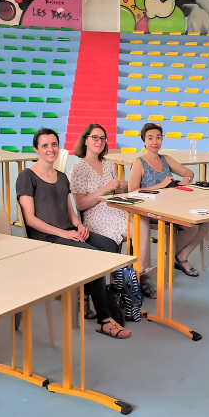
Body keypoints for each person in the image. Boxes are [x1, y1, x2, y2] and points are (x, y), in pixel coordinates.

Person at [16, 129, 130, 339]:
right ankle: (104, 320)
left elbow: (69, 210)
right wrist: (64, 233)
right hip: (45, 239)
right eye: (45, 145)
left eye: (54, 144)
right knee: (93, 255)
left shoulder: (61, 177)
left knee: (110, 246)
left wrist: (78, 225)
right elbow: (30, 219)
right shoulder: (26, 177)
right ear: (36, 149)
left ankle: (85, 296)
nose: (51, 149)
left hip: (67, 232)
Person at [69, 124, 154, 302]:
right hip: (95, 214)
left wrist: (118, 188)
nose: (99, 141)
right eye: (94, 137)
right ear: (85, 140)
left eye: (102, 138)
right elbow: (81, 204)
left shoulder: (108, 164)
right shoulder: (79, 168)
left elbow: (115, 195)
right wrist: (105, 189)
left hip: (114, 208)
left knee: (143, 220)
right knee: (138, 230)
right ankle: (136, 277)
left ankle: (137, 273)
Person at [128, 123, 209, 277]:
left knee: (207, 220)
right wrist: (160, 185)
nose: (155, 141)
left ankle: (180, 256)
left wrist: (187, 179)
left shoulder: (165, 159)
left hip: (173, 206)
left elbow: (189, 173)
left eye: (158, 137)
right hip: (150, 211)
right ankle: (170, 259)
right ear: (143, 141)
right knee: (192, 227)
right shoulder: (139, 162)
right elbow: (132, 191)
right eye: (150, 138)